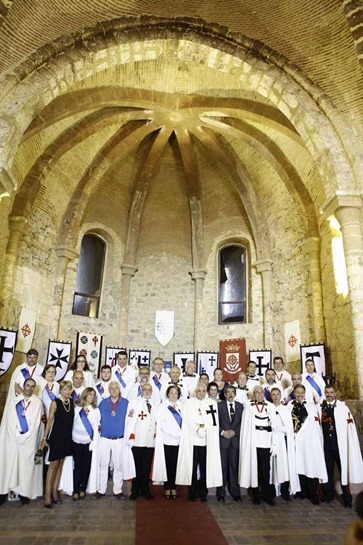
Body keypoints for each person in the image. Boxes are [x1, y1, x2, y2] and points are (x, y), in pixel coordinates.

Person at [176, 382, 222, 502]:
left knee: (204, 468)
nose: (201, 393)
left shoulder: (211, 403)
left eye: (203, 391)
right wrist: (197, 429)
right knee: (192, 467)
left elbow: (214, 421)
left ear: (206, 391)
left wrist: (206, 430)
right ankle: (192, 492)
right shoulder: (189, 403)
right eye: (199, 391)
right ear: (195, 392)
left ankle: (203, 493)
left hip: (206, 440)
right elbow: (187, 420)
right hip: (193, 440)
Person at [0, 378, 44, 505]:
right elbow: (9, 421)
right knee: (10, 465)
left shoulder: (37, 403)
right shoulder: (14, 401)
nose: (29, 388)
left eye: (32, 386)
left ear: (34, 388)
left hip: (28, 440)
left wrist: (26, 437)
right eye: (27, 385)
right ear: (23, 386)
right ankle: (4, 491)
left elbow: (37, 423)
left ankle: (24, 493)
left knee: (26, 467)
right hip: (13, 439)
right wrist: (15, 436)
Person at [319, 385, 363, 507]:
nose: (329, 394)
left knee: (343, 471)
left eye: (331, 392)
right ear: (324, 393)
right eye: (327, 392)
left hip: (339, 445)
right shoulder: (320, 407)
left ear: (335, 393)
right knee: (327, 470)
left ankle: (347, 498)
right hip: (326, 445)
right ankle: (328, 495)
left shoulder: (343, 408)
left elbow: (349, 427)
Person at [239, 385, 277, 505]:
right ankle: (256, 495)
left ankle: (267, 495)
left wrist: (274, 443)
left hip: (266, 441)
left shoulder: (270, 406)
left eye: (261, 393)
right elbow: (245, 426)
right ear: (253, 394)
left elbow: (275, 426)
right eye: (257, 393)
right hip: (253, 442)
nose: (260, 395)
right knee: (254, 469)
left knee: (266, 470)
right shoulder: (248, 407)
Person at [96, 381, 134, 499]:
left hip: (119, 439)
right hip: (104, 438)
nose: (113, 390)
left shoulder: (126, 403)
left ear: (119, 390)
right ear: (109, 390)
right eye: (111, 388)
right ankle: (101, 490)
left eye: (116, 388)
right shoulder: (102, 403)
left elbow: (130, 419)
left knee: (118, 465)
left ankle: (117, 490)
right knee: (103, 465)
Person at [290, 384, 327, 504]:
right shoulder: (289, 405)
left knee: (310, 466)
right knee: (298, 466)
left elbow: (316, 425)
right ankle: (302, 492)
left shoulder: (312, 406)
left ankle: (314, 494)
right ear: (294, 393)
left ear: (305, 393)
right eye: (297, 392)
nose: (299, 394)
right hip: (296, 440)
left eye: (301, 392)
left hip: (309, 441)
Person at [40, 380, 74, 508]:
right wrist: (44, 437)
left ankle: (55, 492)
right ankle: (47, 496)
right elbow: (49, 421)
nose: (67, 391)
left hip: (66, 438)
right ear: (60, 390)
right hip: (56, 437)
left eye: (69, 389)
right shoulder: (55, 403)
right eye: (65, 389)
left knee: (60, 464)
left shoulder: (71, 402)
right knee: (53, 465)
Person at [152, 385, 183, 499]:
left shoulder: (182, 406)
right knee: (167, 464)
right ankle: (167, 487)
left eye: (176, 393)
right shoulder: (163, 407)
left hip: (179, 441)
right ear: (168, 394)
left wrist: (179, 434)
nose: (173, 395)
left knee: (175, 465)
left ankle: (173, 487)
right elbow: (162, 423)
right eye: (171, 393)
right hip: (167, 439)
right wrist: (174, 433)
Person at [127, 383, 157, 500]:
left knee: (146, 467)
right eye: (145, 389)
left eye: (149, 390)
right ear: (141, 390)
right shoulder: (134, 402)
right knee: (136, 467)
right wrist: (131, 436)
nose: (147, 391)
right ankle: (135, 490)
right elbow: (130, 421)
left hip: (150, 441)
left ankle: (145, 489)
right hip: (138, 440)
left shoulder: (154, 404)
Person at [72, 388, 101, 500]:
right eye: (90, 394)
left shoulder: (96, 410)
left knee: (86, 465)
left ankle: (83, 489)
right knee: (77, 466)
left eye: (93, 395)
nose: (92, 397)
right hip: (77, 440)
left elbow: (97, 426)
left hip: (89, 442)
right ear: (85, 395)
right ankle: (75, 490)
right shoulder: (77, 408)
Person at [270, 387, 298, 500]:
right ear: (271, 396)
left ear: (281, 396)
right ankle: (272, 490)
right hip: (271, 440)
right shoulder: (268, 408)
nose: (276, 397)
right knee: (272, 466)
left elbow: (289, 427)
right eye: (273, 394)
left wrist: (280, 428)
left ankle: (284, 491)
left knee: (284, 466)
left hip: (282, 441)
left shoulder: (285, 410)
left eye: (277, 394)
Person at [217, 385, 243, 502]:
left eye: (233, 392)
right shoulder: (219, 406)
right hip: (223, 441)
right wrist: (222, 432)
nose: (231, 394)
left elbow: (243, 424)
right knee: (222, 468)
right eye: (228, 392)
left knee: (234, 467)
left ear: (235, 394)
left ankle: (235, 492)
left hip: (235, 442)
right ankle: (221, 493)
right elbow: (214, 423)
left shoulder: (240, 407)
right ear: (225, 394)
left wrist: (234, 432)